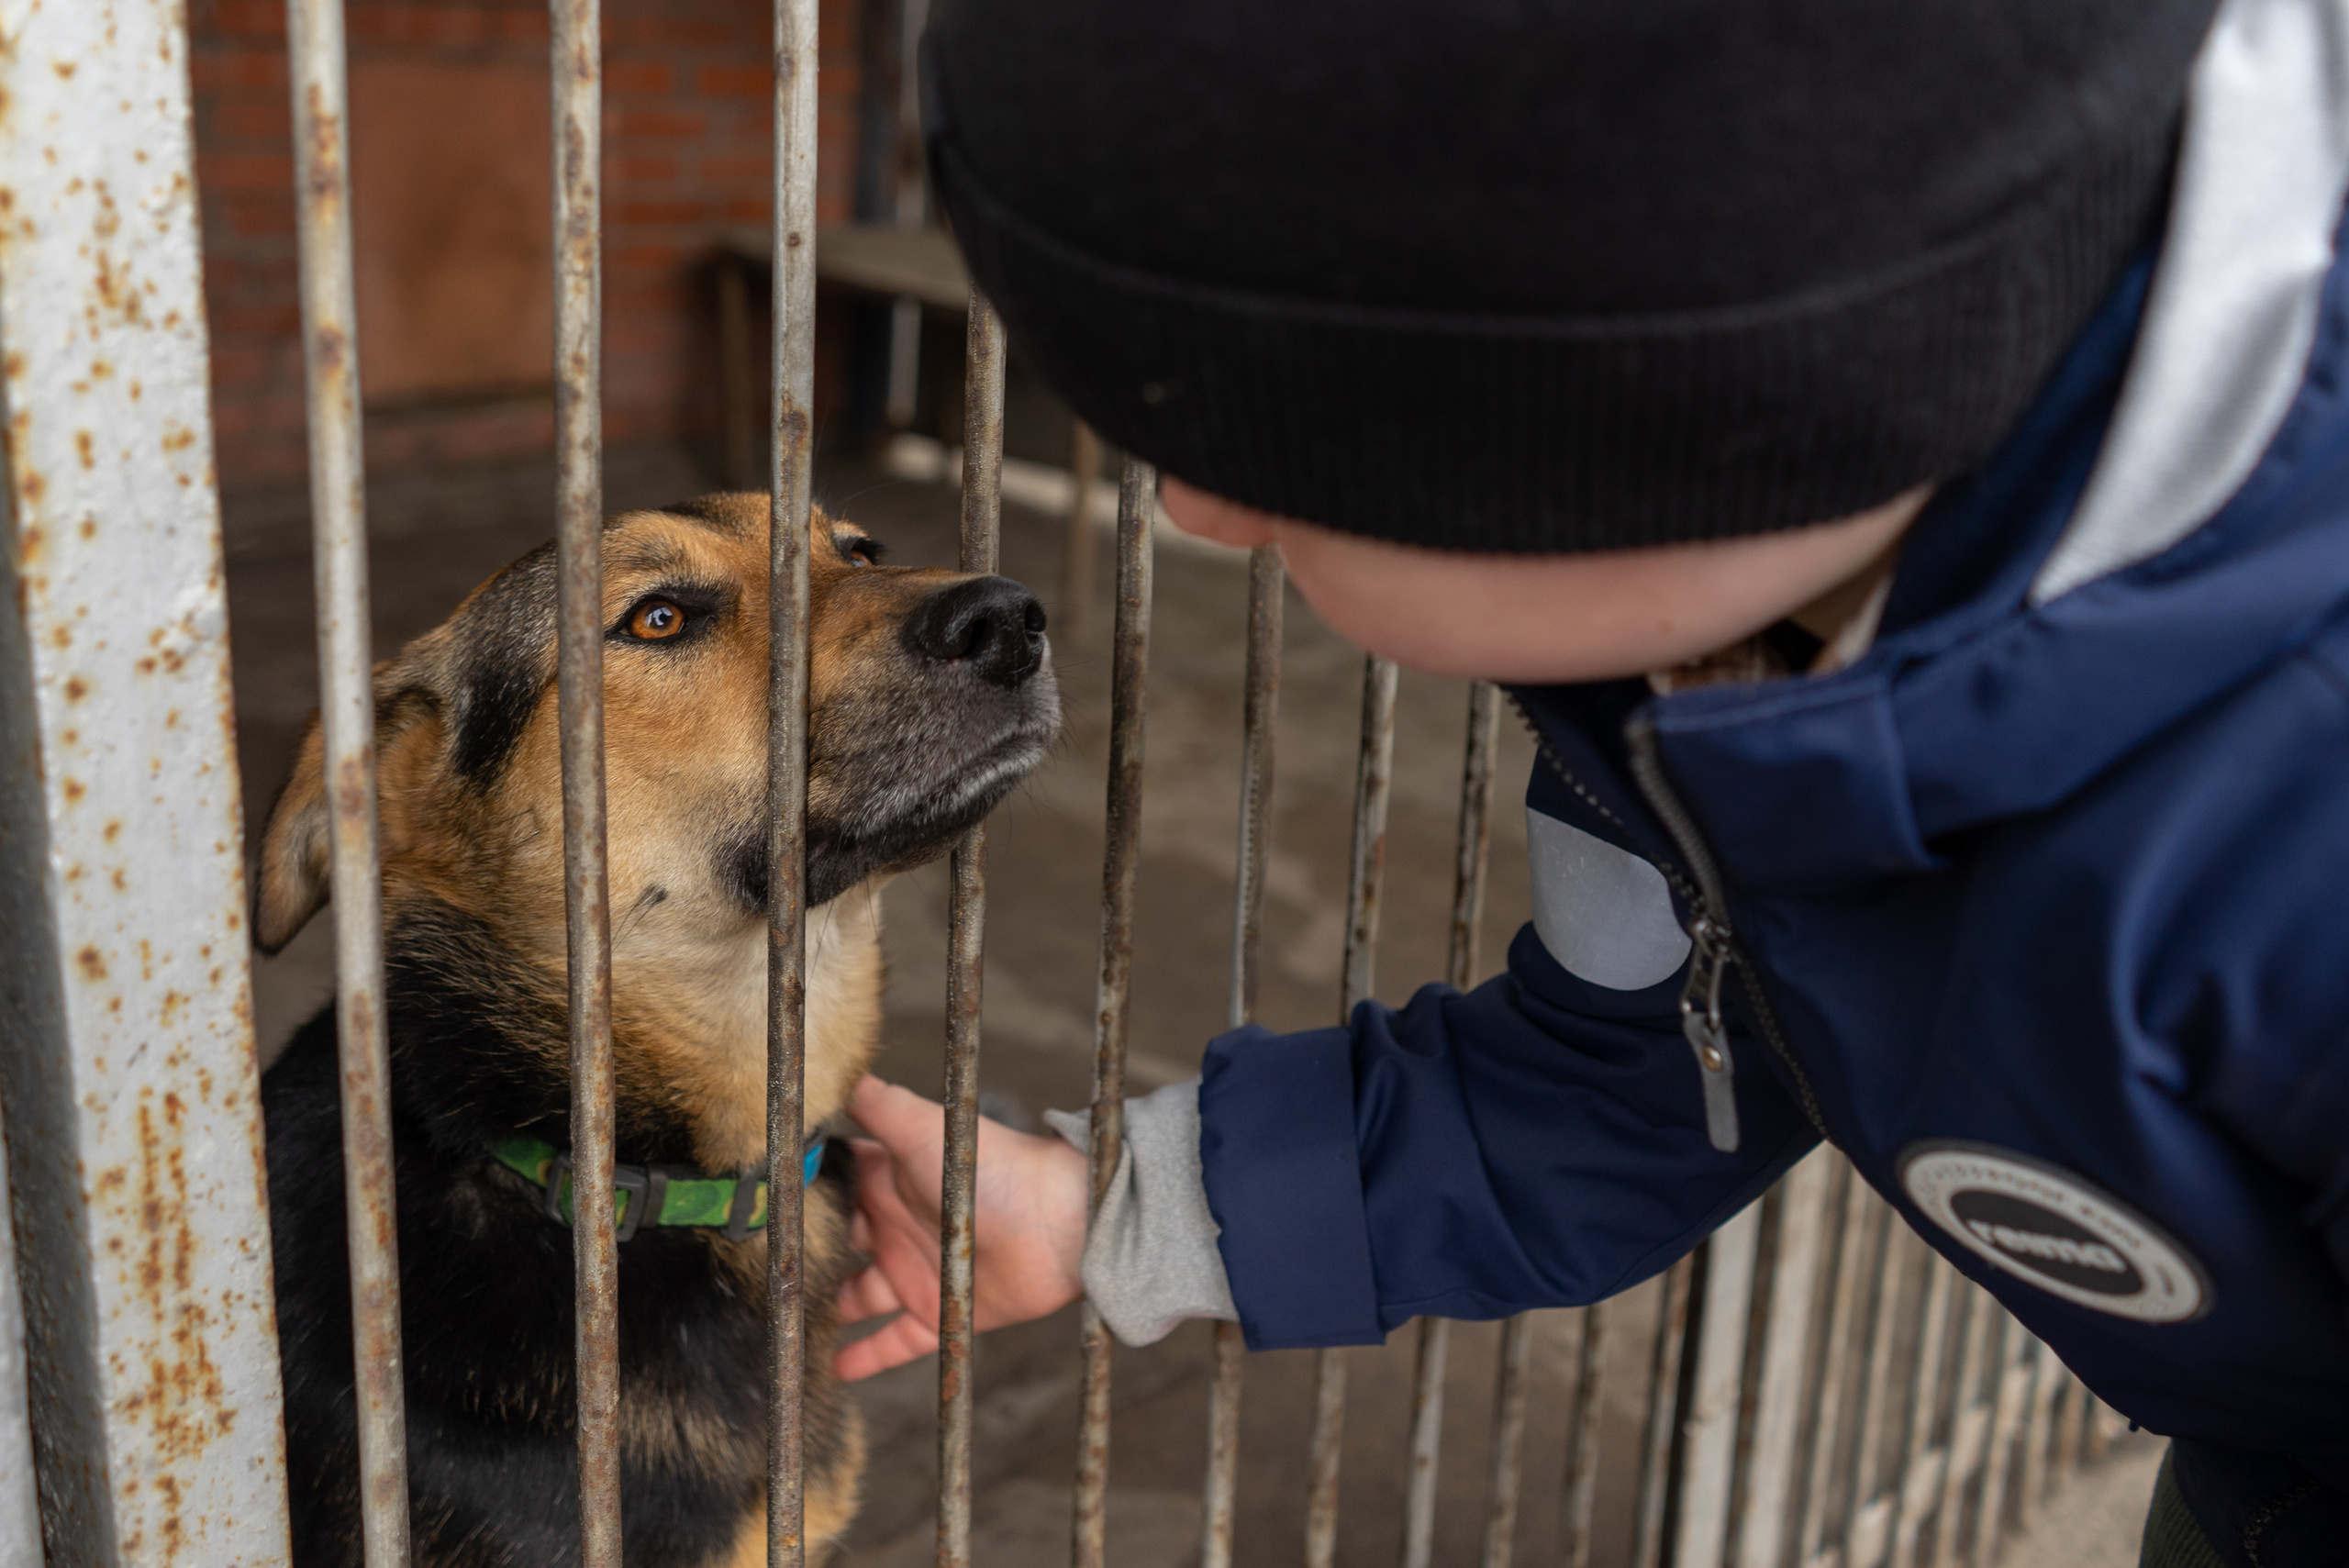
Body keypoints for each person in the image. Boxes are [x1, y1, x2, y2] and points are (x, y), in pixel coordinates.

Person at [831, 2, 2349, 1562]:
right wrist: (1112, 1210)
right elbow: (1639, 1064)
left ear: (1633, 436)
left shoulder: (2295, 848)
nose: (1205, 512)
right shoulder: (1699, 668)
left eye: (1279, 446)